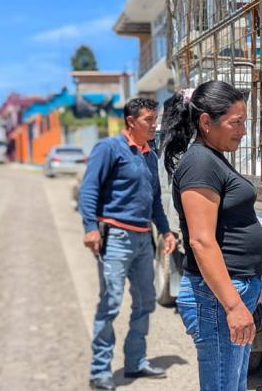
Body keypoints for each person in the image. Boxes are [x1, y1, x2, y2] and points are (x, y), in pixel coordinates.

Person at [160, 81, 262, 391]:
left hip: (234, 287)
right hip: (218, 297)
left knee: (234, 383)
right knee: (223, 384)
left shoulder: (213, 159)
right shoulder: (200, 165)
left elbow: (231, 224)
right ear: (206, 122)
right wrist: (234, 306)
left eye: (244, 122)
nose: (243, 131)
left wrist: (256, 270)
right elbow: (201, 241)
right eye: (236, 123)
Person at [79, 97, 177, 391]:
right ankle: (99, 371)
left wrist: (166, 230)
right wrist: (90, 228)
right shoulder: (109, 149)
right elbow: (89, 189)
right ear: (131, 121)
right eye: (149, 120)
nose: (154, 124)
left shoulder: (149, 155)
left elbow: (155, 199)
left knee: (146, 302)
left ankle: (135, 362)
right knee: (110, 304)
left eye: (155, 118)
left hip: (143, 239)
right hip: (116, 237)